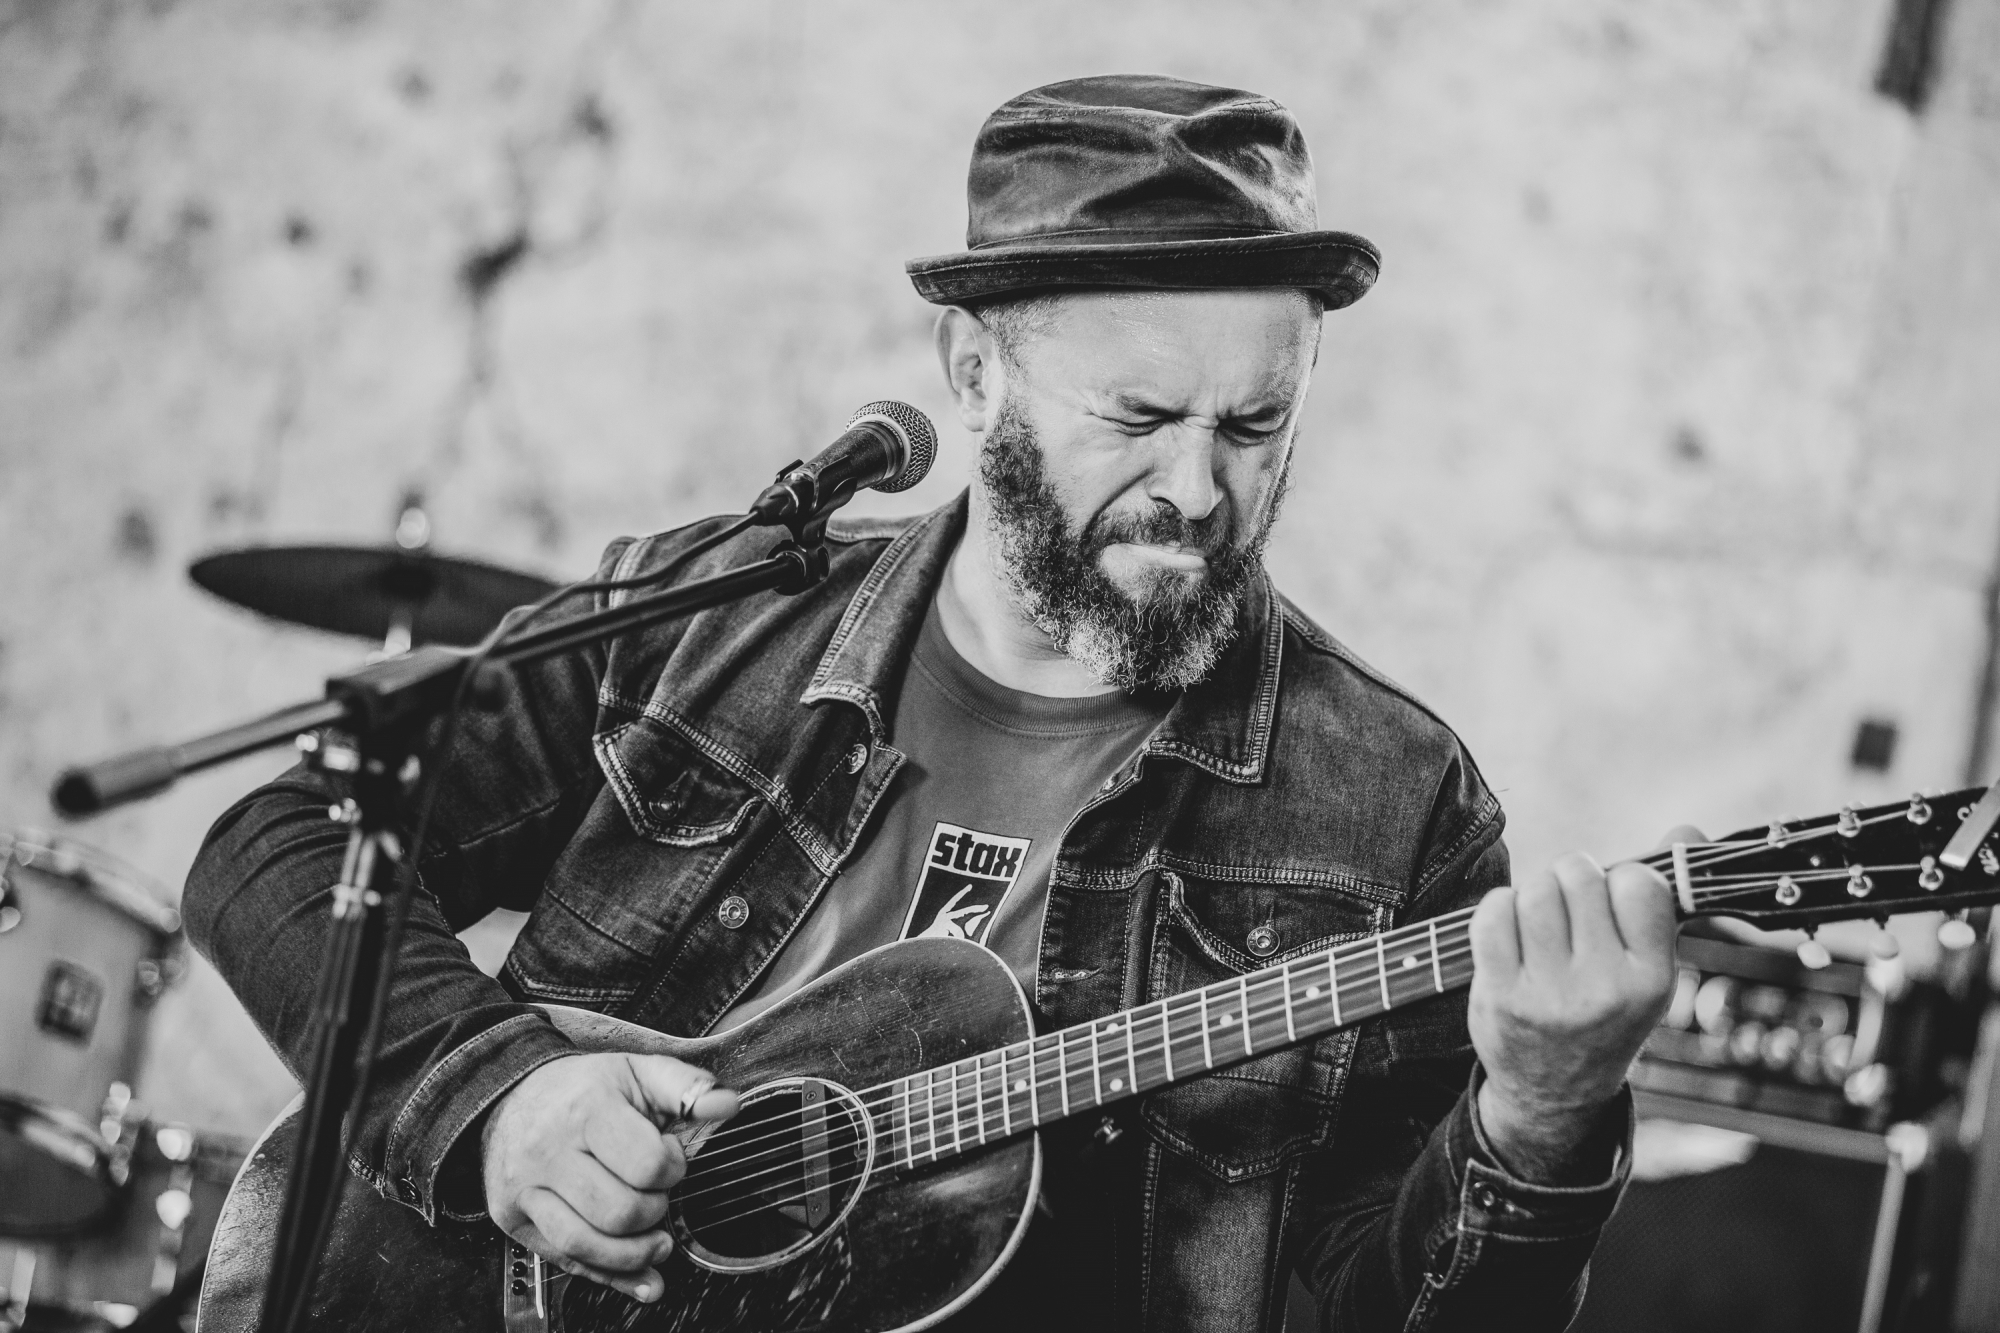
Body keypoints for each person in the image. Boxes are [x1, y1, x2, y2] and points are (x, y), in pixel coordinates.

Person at [186, 75, 1679, 1332]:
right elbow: (276, 841)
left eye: (1256, 423)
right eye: (1141, 417)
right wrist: (500, 1102)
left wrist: (1540, 1122)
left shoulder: (1394, 809)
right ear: (974, 375)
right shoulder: (710, 620)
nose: (1199, 488)